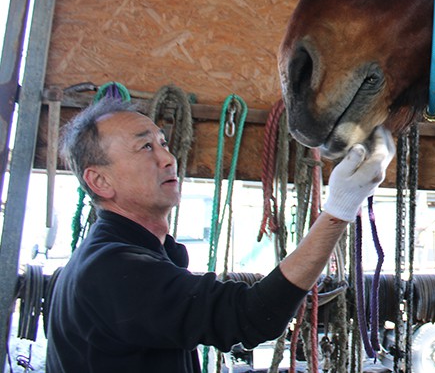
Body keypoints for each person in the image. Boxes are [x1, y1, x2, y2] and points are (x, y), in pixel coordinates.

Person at [45, 97, 394, 372]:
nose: (169, 158)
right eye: (145, 147)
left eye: (163, 142)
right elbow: (252, 317)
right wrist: (340, 208)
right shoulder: (113, 269)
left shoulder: (127, 257)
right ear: (100, 181)